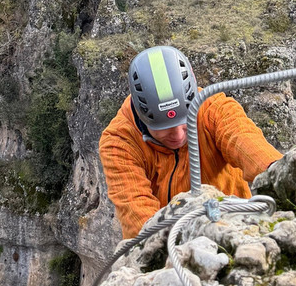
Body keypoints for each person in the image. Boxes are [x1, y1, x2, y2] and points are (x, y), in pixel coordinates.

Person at [99, 45, 283, 238]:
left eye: (186, 122)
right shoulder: (119, 143)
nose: (178, 136)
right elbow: (136, 212)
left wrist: (278, 170)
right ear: (141, 115)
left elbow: (246, 142)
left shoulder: (214, 109)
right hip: (170, 240)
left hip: (234, 227)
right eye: (163, 129)